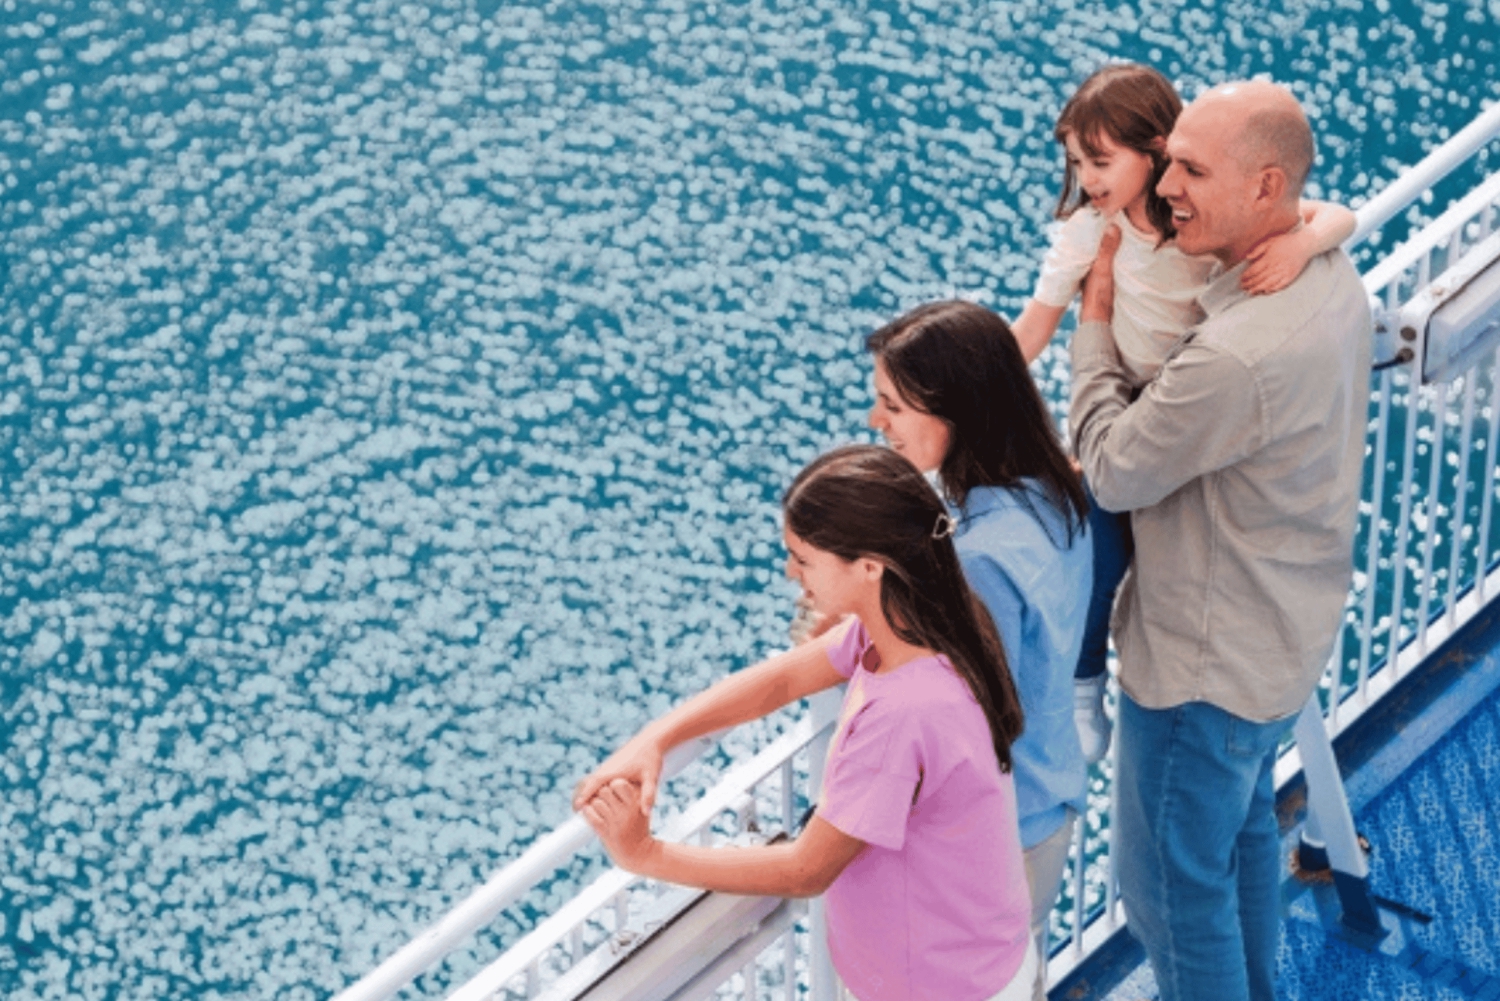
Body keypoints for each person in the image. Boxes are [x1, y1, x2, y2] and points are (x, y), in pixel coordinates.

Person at [1068, 80, 1372, 1001]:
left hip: (1201, 673)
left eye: (1192, 171)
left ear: (1265, 187)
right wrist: (1315, 230)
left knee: (1168, 896)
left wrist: (1094, 325)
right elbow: (1326, 213)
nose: (1166, 188)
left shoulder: (1234, 356)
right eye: (1169, 164)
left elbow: (1111, 469)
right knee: (1238, 838)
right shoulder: (1323, 272)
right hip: (1280, 637)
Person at [573, 444, 1037, 1001]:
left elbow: (805, 870)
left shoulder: (901, 716)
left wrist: (644, 854)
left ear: (870, 566)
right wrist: (658, 737)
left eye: (804, 559)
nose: (791, 572)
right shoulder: (920, 623)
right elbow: (784, 679)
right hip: (978, 960)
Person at [1008, 63, 1357, 763]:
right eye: (1077, 163)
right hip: (1137, 401)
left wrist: (1301, 242)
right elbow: (1035, 325)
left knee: (1129, 515)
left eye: (1101, 161)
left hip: (1186, 398)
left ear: (1155, 151)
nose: (1087, 179)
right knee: (1098, 544)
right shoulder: (1092, 231)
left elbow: (1333, 214)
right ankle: (1083, 680)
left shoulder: (1197, 226)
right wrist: (970, 400)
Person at [865, 300, 1091, 1001]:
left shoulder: (981, 562)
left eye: (892, 406)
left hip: (995, 843)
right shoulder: (1055, 494)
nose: (877, 422)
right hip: (1048, 807)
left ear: (954, 413)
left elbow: (970, 727)